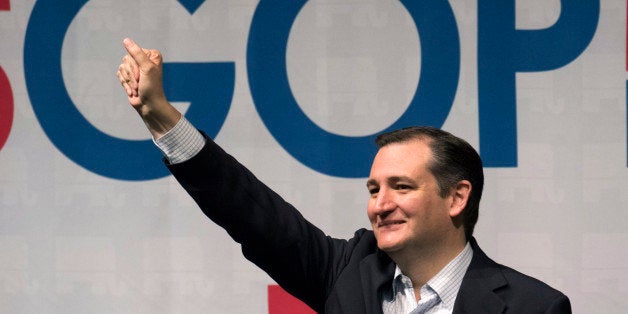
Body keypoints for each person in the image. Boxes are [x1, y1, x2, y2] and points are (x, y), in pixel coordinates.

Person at [117, 38, 571, 313]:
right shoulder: (348, 272)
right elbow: (248, 209)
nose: (380, 204)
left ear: (457, 198)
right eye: (374, 188)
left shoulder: (534, 307)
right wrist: (162, 118)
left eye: (402, 186)